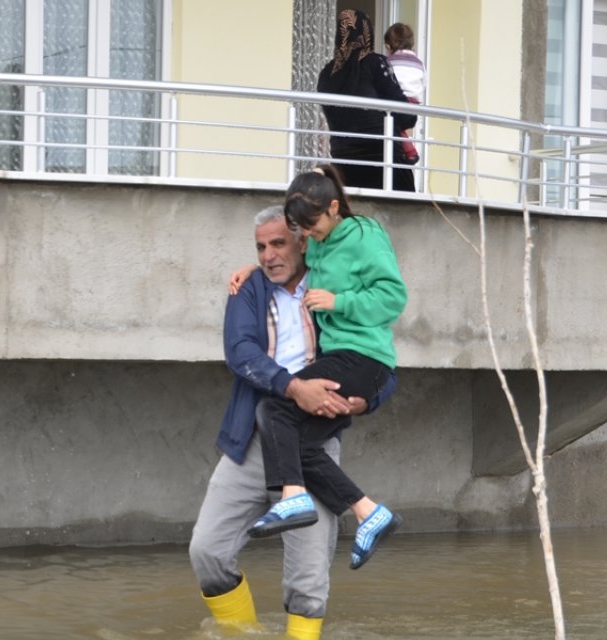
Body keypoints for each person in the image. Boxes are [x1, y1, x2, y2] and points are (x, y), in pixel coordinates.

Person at [189, 205, 395, 640]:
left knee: (308, 581)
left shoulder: (336, 286)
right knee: (207, 552)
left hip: (311, 448)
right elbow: (241, 353)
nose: (268, 255)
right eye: (260, 247)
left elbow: (378, 358)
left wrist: (365, 402)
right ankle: (238, 634)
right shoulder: (248, 290)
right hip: (250, 442)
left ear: (305, 241)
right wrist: (293, 387)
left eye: (278, 243)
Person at [229, 165, 406, 571]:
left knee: (275, 408)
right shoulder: (318, 239)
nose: (309, 235)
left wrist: (338, 302)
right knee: (296, 439)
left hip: (363, 356)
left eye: (313, 226)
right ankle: (368, 512)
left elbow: (394, 297)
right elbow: (288, 258)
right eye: (302, 229)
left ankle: (293, 498)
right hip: (342, 356)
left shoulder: (364, 235)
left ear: (333, 207)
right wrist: (253, 269)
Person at [317, 9, 417, 192]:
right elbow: (407, 116)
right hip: (384, 162)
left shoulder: (327, 74)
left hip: (343, 165)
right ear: (367, 32)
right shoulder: (375, 63)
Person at [384, 22, 426, 166]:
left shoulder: (389, 62)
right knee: (396, 126)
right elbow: (423, 83)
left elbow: (386, 83)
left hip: (399, 101)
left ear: (389, 46)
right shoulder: (419, 63)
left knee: (387, 120)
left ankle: (410, 152)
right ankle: (405, 152)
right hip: (413, 105)